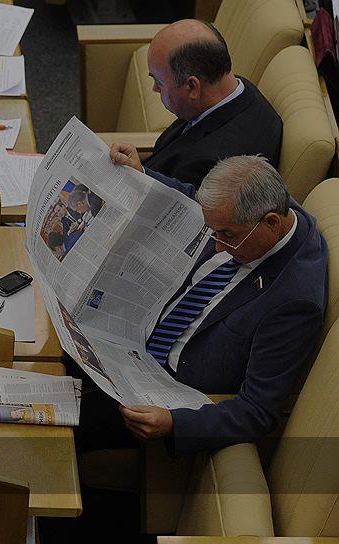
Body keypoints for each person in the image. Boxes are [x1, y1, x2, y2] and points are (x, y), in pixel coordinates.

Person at [99, 154, 327, 455]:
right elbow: (199, 201)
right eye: (214, 231)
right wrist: (142, 172)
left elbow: (257, 411)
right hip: (135, 335)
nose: (218, 245)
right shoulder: (268, 207)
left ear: (272, 222)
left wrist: (174, 424)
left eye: (228, 235)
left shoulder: (294, 301)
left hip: (166, 394)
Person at [113, 19, 282, 188]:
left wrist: (139, 176)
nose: (155, 89)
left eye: (159, 82)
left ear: (192, 87)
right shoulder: (234, 89)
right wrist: (138, 168)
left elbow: (174, 200)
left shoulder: (213, 165)